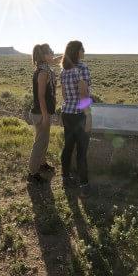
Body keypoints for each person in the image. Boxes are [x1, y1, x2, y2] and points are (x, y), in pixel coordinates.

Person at [60, 40, 92, 198]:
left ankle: (65, 178)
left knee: (68, 147)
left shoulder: (64, 70)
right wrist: (88, 115)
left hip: (66, 112)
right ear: (77, 52)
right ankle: (84, 184)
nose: (84, 50)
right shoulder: (82, 68)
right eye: (82, 48)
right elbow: (84, 94)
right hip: (80, 114)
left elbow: (64, 95)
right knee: (82, 150)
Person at [28, 43, 61, 184]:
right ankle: (32, 173)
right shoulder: (43, 73)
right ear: (44, 56)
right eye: (51, 52)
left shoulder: (45, 68)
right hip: (41, 114)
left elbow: (56, 60)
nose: (53, 53)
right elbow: (41, 96)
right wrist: (46, 116)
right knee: (40, 143)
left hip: (41, 112)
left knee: (43, 141)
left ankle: (42, 164)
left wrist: (68, 53)